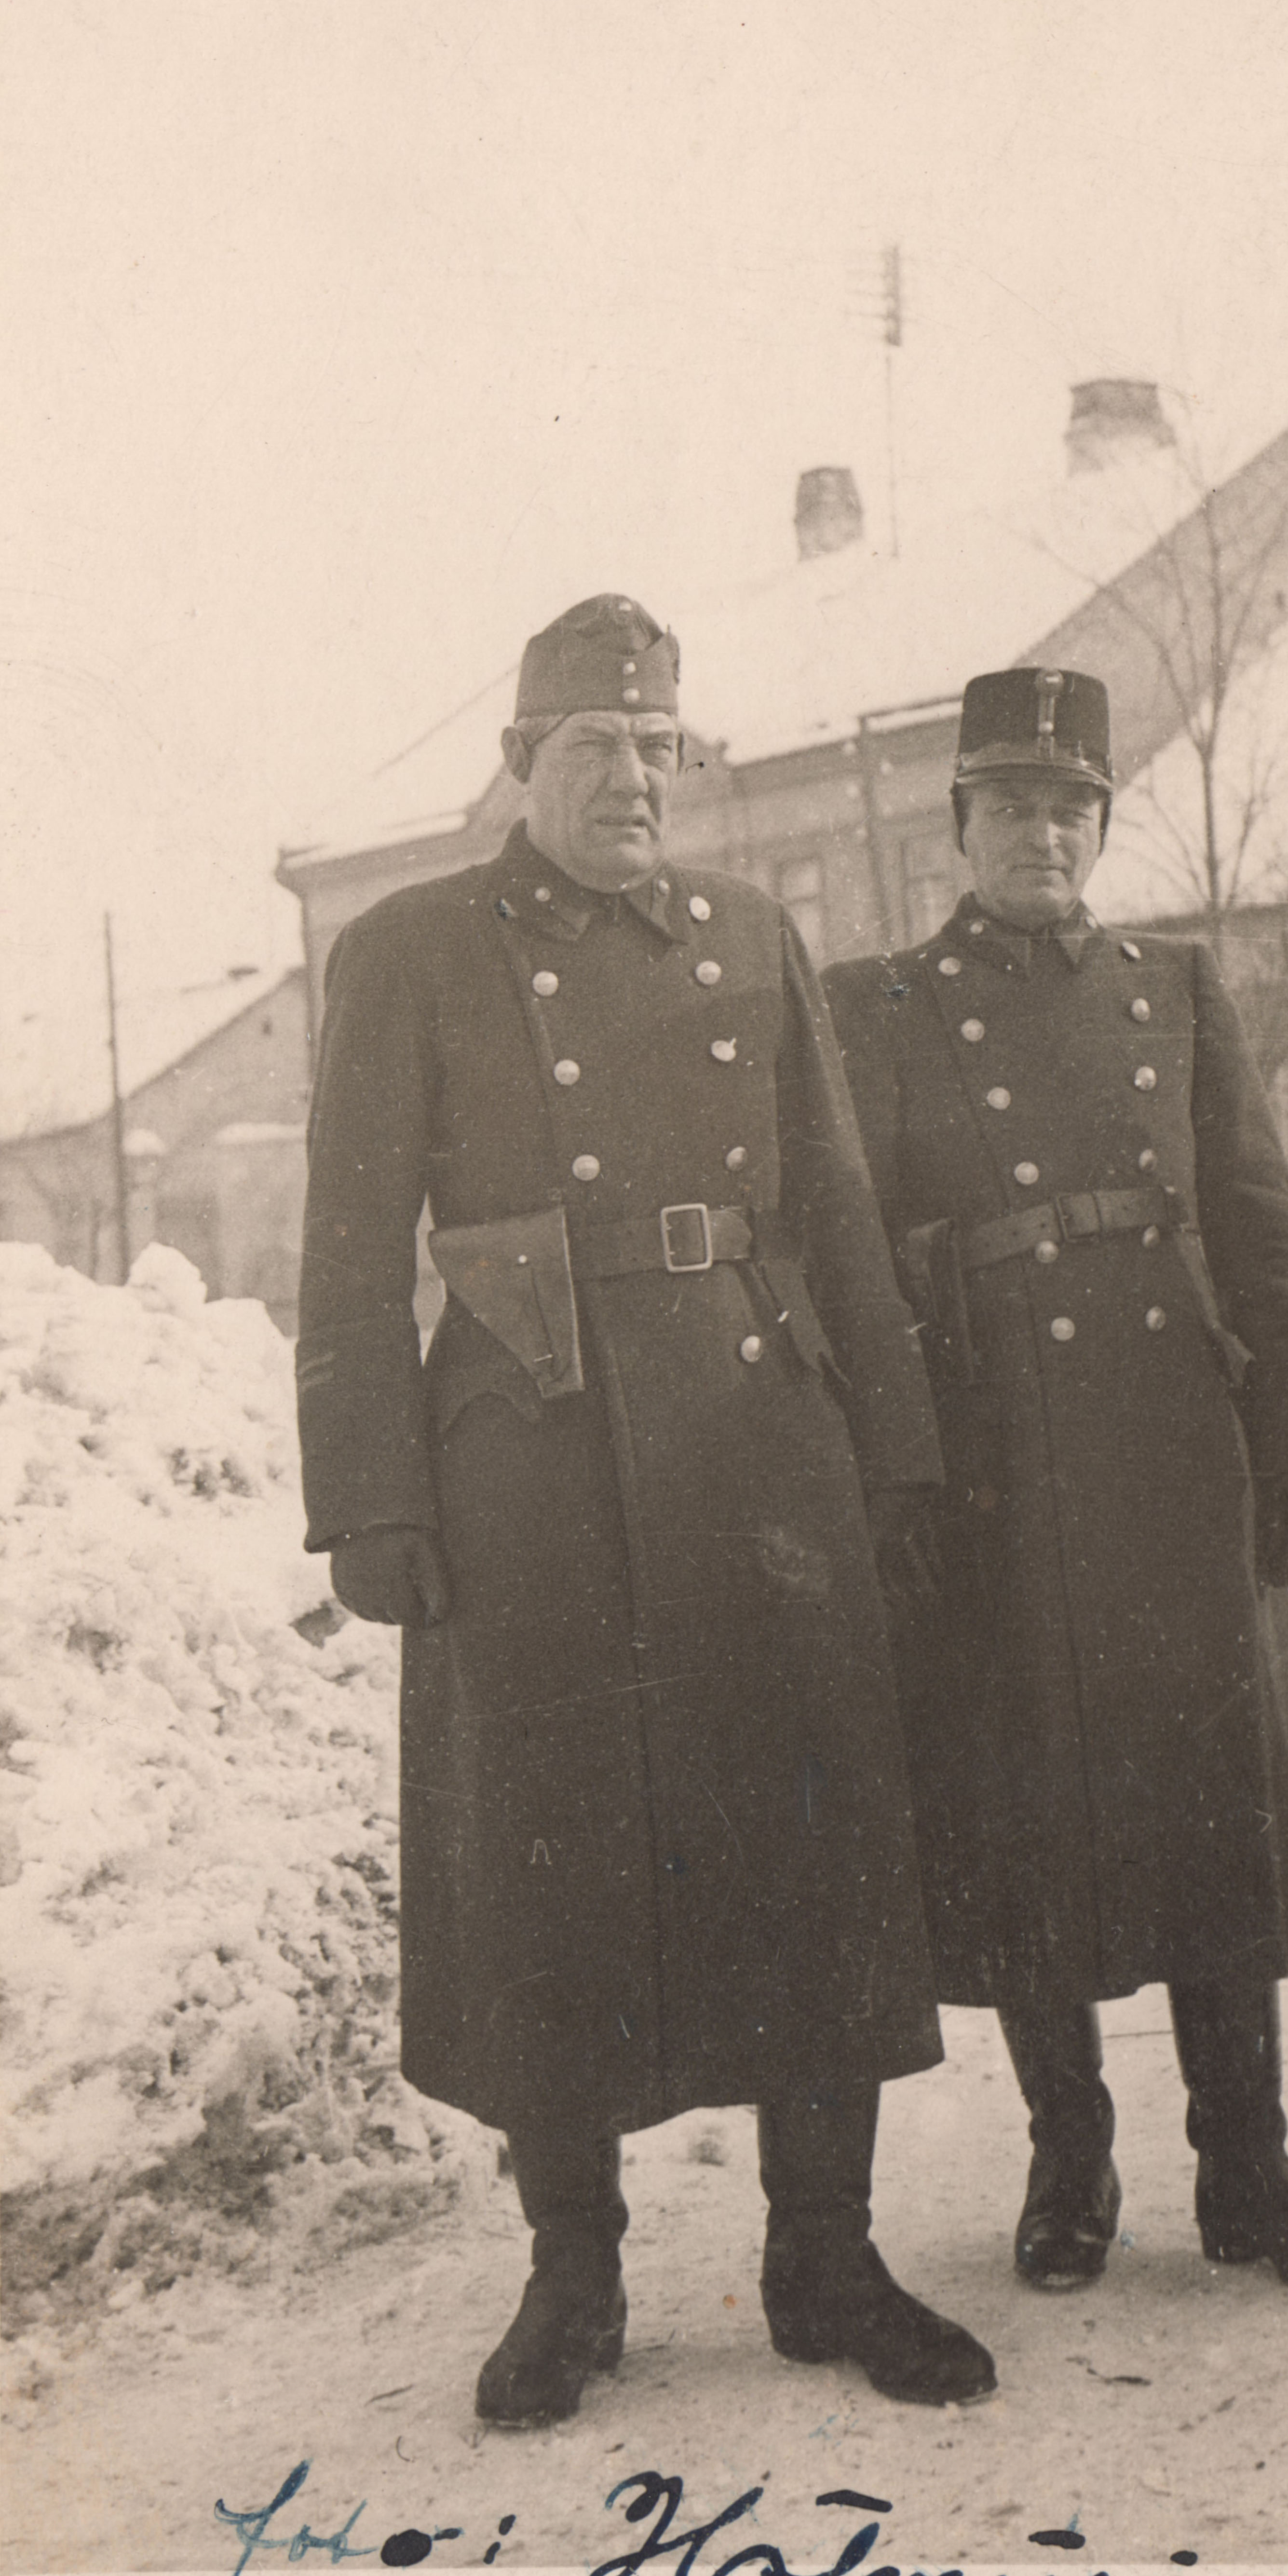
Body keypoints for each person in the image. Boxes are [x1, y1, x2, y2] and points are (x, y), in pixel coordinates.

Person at [296, 592, 996, 2424]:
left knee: (812, 1832)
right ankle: (574, 2273)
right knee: (555, 1859)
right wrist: (368, 1495)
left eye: (658, 744)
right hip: (532, 1459)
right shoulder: (412, 947)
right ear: (519, 763)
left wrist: (896, 1450)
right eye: (594, 744)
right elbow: (349, 1251)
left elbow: (834, 1207)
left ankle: (825, 2255)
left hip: (763, 1442)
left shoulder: (751, 934)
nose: (634, 775)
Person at [825, 666, 1288, 2301]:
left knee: (1215, 1799)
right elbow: (852, 1257)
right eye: (1010, 807)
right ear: (958, 827)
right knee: (1021, 1804)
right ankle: (1067, 2158)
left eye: (1069, 809)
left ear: (1100, 826)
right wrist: (901, 1474)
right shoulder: (881, 1003)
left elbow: (1257, 1225)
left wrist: (1287, 1439)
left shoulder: (1173, 985)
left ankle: (1247, 2163)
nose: (1042, 836)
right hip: (992, 1448)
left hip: (1169, 1437)